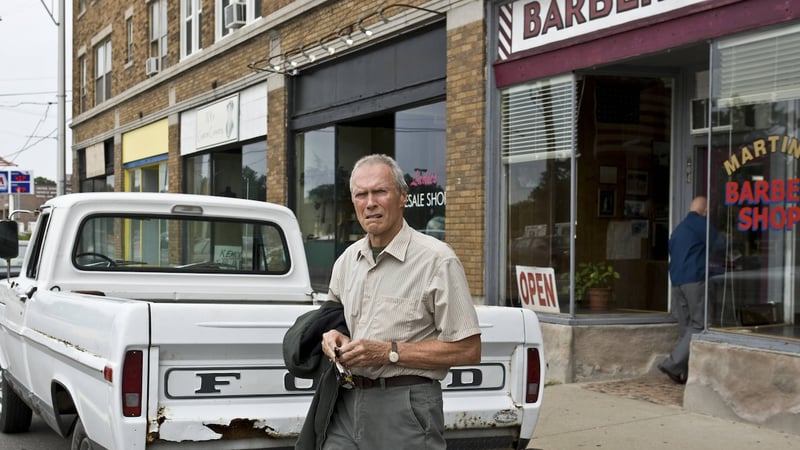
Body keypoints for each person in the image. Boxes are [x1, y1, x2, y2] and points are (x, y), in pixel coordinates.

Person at [318, 154, 482, 449]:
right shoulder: (346, 262)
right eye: (361, 194)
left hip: (405, 406)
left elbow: (468, 349)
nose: (370, 203)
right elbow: (334, 322)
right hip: (346, 403)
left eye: (380, 191)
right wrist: (332, 339)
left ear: (403, 196)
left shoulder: (437, 260)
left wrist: (388, 352)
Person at [658, 195, 718, 384]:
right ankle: (673, 363)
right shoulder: (700, 224)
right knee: (700, 324)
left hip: (676, 281)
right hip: (694, 280)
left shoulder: (678, 229)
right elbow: (722, 244)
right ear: (705, 211)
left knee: (686, 328)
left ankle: (683, 372)